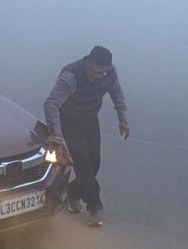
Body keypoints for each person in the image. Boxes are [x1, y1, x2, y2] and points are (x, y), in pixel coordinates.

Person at [44, 45, 129, 227]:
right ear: (87, 62)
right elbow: (51, 104)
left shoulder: (110, 73)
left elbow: (117, 93)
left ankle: (72, 192)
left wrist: (122, 118)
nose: (95, 76)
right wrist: (57, 136)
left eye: (101, 73)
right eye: (92, 71)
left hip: (90, 119)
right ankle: (95, 205)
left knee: (94, 163)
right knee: (83, 164)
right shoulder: (71, 75)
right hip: (69, 121)